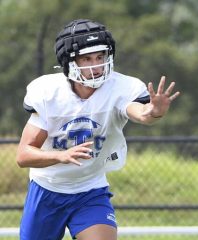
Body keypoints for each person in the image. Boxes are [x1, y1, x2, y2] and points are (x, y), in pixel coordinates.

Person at [16, 18, 180, 240]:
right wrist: (60, 155)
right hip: (47, 190)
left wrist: (154, 111)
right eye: (86, 59)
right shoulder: (49, 93)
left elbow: (140, 113)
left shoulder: (119, 88)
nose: (96, 65)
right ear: (69, 61)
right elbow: (23, 155)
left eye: (100, 57)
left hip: (89, 190)